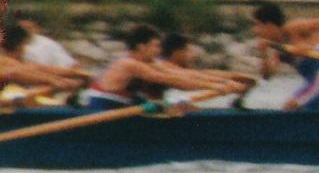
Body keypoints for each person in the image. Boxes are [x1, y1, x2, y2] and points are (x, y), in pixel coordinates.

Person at [85, 26, 234, 106]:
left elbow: (181, 74)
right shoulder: (129, 64)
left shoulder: (149, 62)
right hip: (103, 105)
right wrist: (213, 87)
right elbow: (170, 80)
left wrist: (223, 83)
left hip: (123, 105)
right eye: (155, 46)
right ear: (141, 46)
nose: (159, 51)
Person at [247, 3, 319, 111]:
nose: (255, 30)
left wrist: (311, 44)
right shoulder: (277, 50)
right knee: (287, 108)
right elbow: (267, 75)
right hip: (312, 84)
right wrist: (263, 53)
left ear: (269, 25)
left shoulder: (293, 28)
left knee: (292, 106)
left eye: (257, 25)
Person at [0, 21, 87, 96]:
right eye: (23, 47)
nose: (25, 50)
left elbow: (31, 68)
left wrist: (75, 73)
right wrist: (54, 82)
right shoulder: (5, 61)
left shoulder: (7, 61)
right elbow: (11, 73)